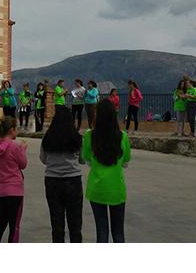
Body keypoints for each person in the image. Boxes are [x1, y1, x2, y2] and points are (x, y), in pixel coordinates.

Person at [82, 100, 130, 243]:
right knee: (118, 233)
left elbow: (87, 160)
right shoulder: (123, 136)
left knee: (102, 232)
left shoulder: (89, 135)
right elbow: (126, 163)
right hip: (117, 189)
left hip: (97, 189)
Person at [40, 106, 83, 243]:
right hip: (73, 181)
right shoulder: (77, 137)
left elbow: (43, 159)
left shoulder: (48, 137)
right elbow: (82, 159)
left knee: (57, 224)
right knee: (75, 224)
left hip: (52, 181)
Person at [0, 116, 28, 243]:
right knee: (14, 225)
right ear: (11, 130)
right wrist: (22, 149)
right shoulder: (14, 147)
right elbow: (23, 164)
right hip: (15, 190)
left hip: (0, 190)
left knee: (2, 221)